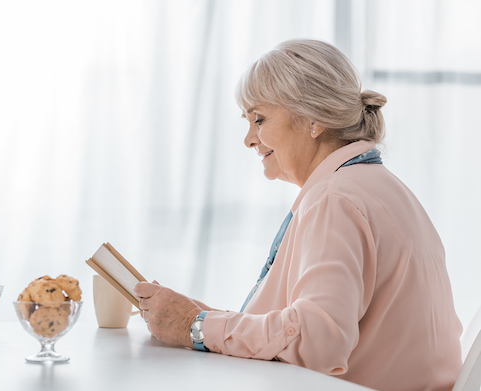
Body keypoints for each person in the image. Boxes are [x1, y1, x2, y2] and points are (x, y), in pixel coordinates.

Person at [134, 39, 462, 391]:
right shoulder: (375, 186)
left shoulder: (335, 199)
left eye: (259, 119)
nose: (248, 139)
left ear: (313, 119)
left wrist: (194, 326)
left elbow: (317, 342)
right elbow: (316, 325)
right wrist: (206, 320)